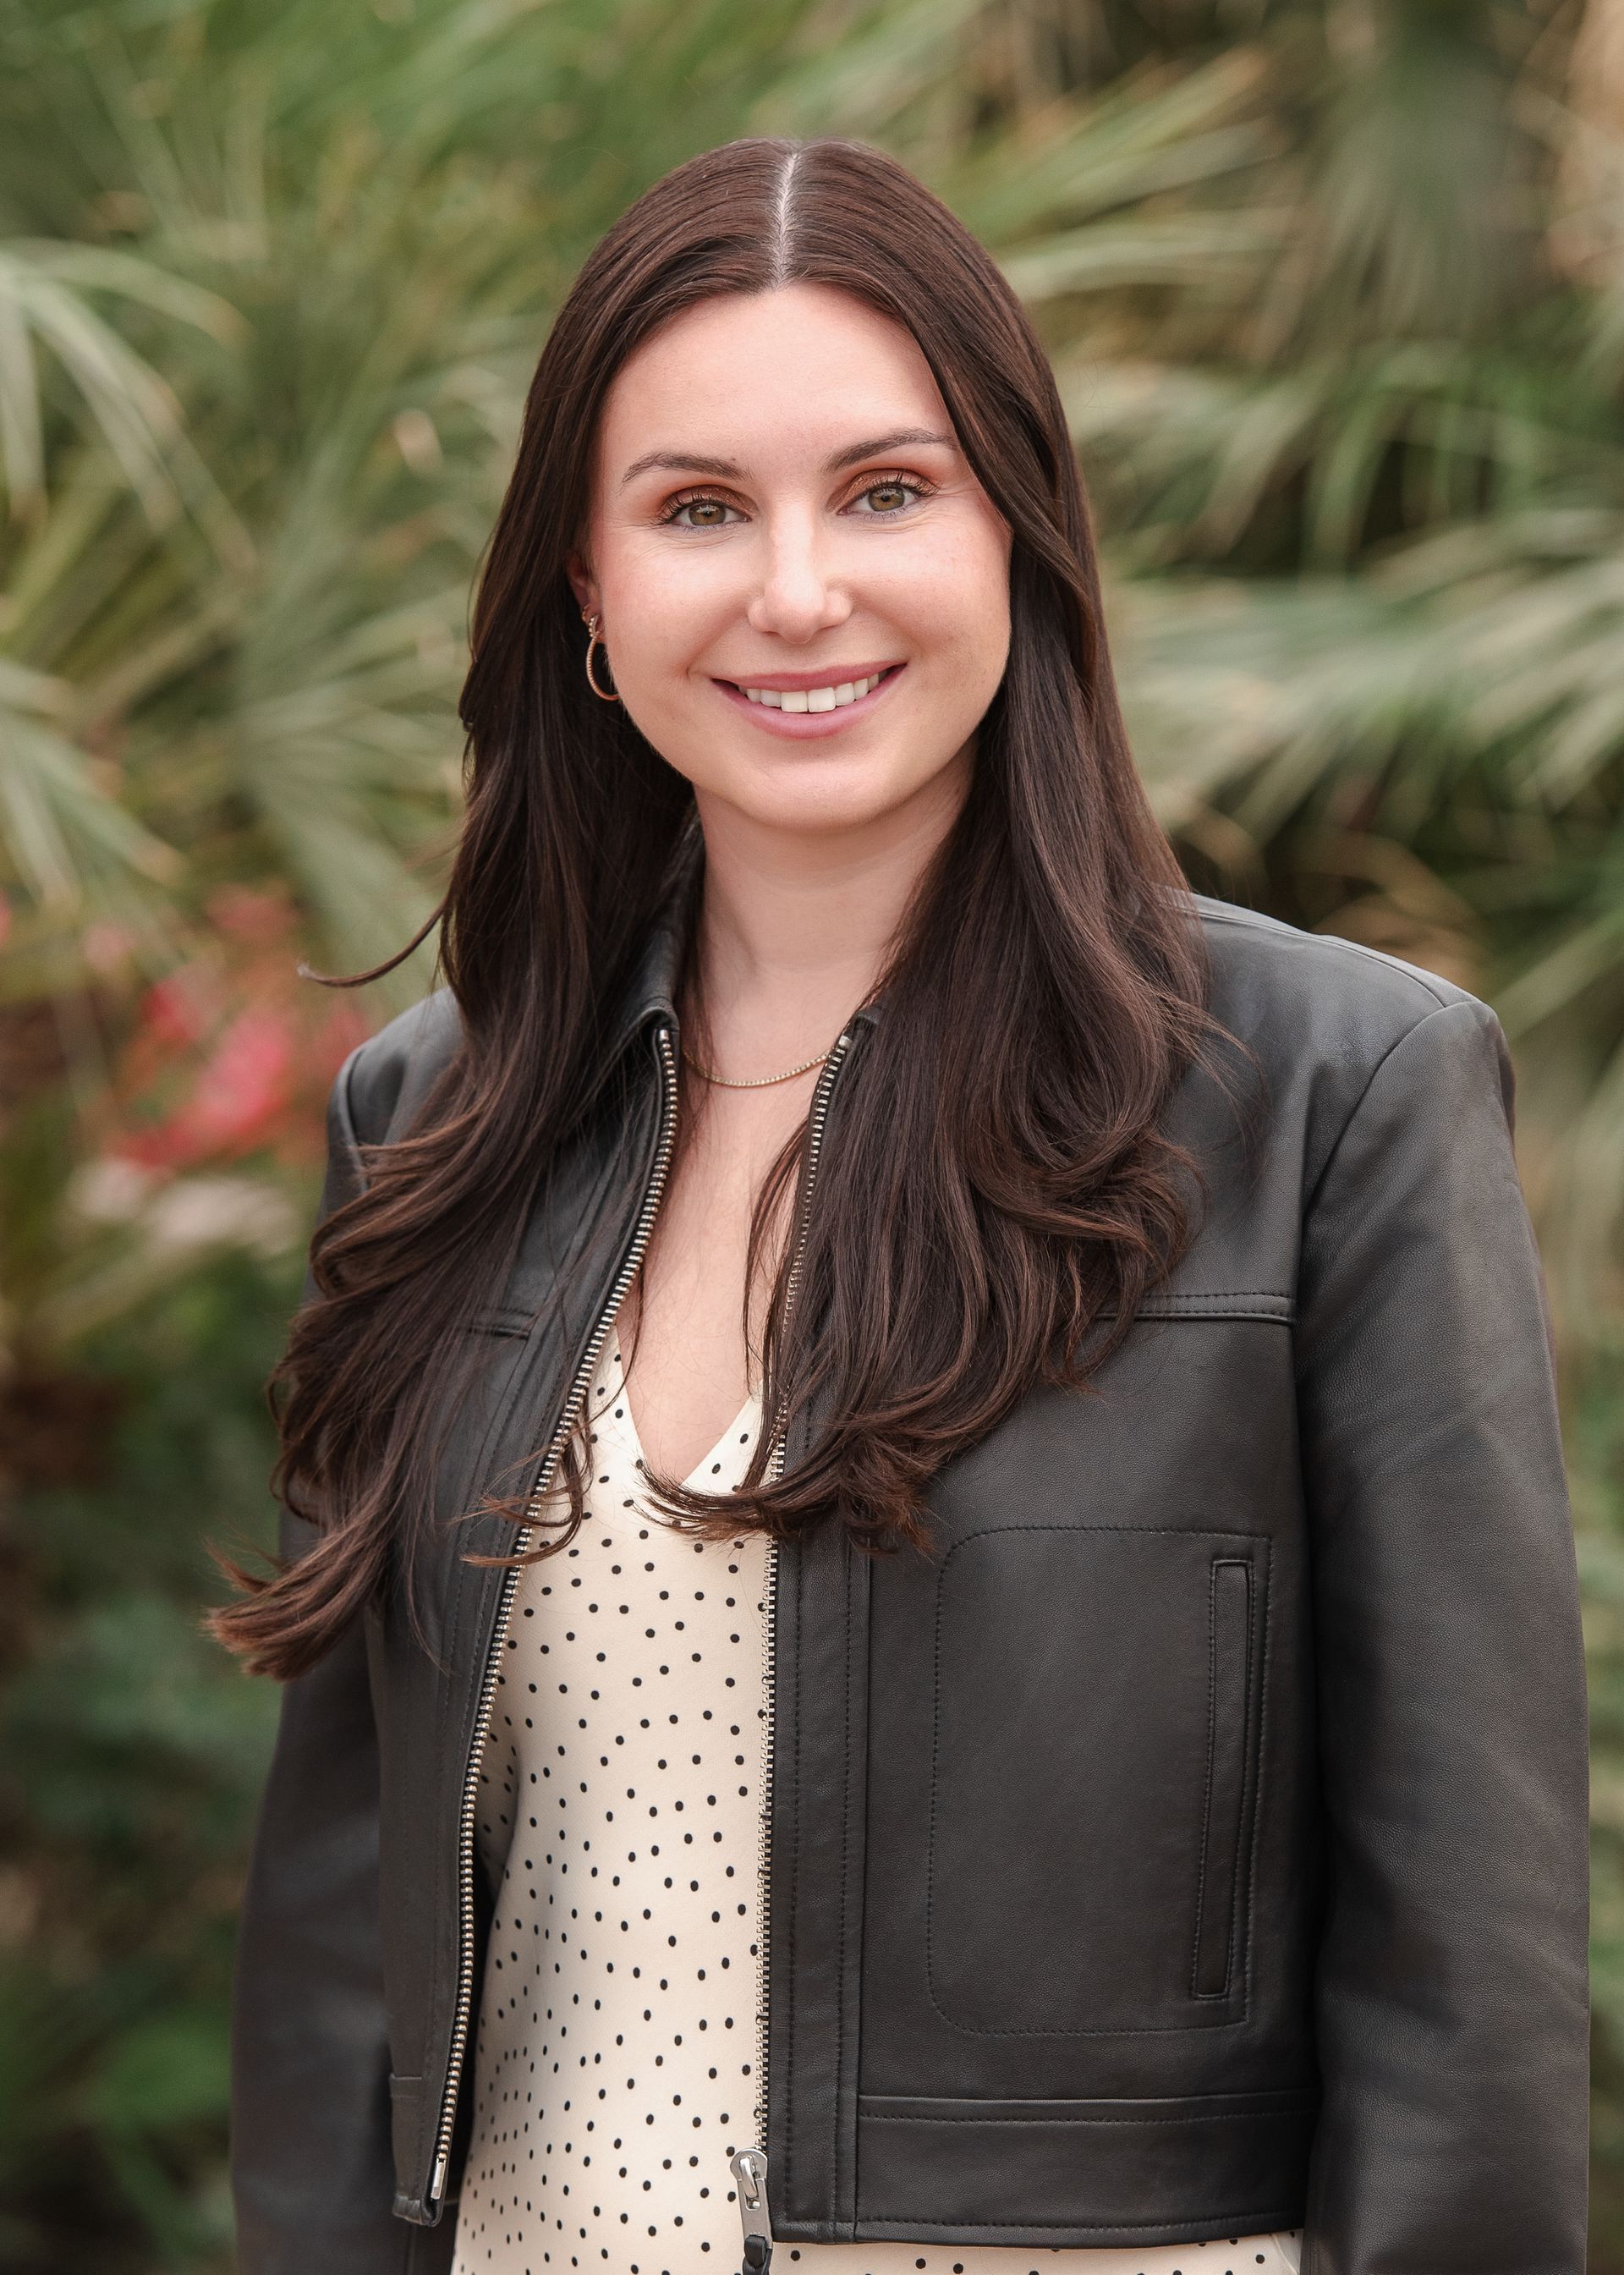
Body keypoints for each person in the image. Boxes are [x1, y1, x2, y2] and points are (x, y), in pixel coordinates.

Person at [214, 136, 1589, 2275]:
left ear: (1019, 534)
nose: (794, 591)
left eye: (885, 490)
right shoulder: (435, 1121)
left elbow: (1468, 1953)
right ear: (587, 593)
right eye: (693, 510)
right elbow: (336, 1937)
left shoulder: (1338, 1095)